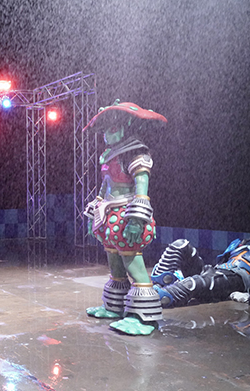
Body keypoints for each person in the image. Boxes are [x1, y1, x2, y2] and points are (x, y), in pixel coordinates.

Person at [83, 100, 167, 335]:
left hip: (127, 215)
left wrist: (137, 219)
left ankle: (144, 317)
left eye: (111, 129)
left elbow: (142, 187)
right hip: (110, 215)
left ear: (125, 128)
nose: (106, 135)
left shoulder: (135, 153)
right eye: (105, 131)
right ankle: (114, 306)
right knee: (115, 263)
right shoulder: (111, 155)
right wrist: (96, 208)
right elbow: (106, 185)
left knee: (133, 264)